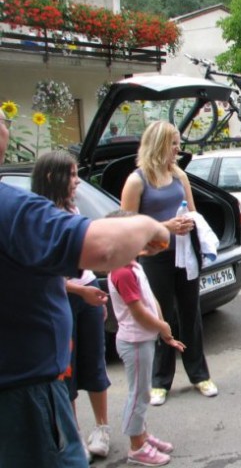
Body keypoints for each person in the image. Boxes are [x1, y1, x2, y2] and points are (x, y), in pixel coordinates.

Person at [0, 108, 170, 467]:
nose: (5, 123)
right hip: (23, 393)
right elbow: (102, 248)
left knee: (91, 369)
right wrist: (152, 226)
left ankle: (100, 428)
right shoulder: (13, 207)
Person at [121, 120, 217, 407]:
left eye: (178, 142)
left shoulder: (179, 175)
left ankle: (199, 375)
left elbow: (193, 212)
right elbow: (127, 225)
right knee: (162, 317)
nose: (178, 148)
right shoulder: (137, 180)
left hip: (185, 254)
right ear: (159, 144)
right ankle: (160, 381)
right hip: (155, 257)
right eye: (174, 143)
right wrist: (166, 226)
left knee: (191, 313)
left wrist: (189, 223)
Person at [31, 151, 112, 461]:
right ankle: (74, 433)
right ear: (53, 177)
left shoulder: (72, 208)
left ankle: (102, 428)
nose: (78, 181)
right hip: (61, 298)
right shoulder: (37, 215)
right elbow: (40, 272)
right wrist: (79, 291)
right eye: (74, 175)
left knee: (95, 361)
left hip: (87, 293)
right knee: (67, 369)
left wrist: (92, 292)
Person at [108, 211, 186, 466]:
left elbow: (150, 300)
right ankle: (136, 447)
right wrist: (163, 327)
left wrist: (164, 329)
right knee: (139, 394)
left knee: (140, 391)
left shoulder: (132, 263)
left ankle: (141, 434)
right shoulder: (123, 272)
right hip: (135, 341)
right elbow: (139, 312)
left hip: (144, 338)